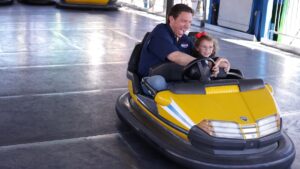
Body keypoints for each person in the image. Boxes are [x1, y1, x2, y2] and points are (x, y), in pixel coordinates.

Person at [138, 4, 196, 95]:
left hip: (174, 79)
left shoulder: (185, 39)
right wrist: (200, 63)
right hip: (150, 80)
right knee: (158, 82)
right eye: (184, 21)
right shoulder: (160, 32)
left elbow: (198, 55)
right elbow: (175, 56)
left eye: (190, 22)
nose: (187, 26)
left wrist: (216, 61)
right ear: (171, 19)